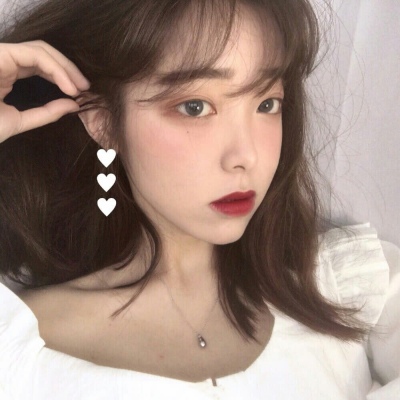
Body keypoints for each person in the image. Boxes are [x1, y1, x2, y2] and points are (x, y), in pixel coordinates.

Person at [0, 0, 399, 399]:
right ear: (103, 121)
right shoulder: (21, 351)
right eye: (195, 107)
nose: (246, 156)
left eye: (267, 104)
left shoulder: (343, 285)